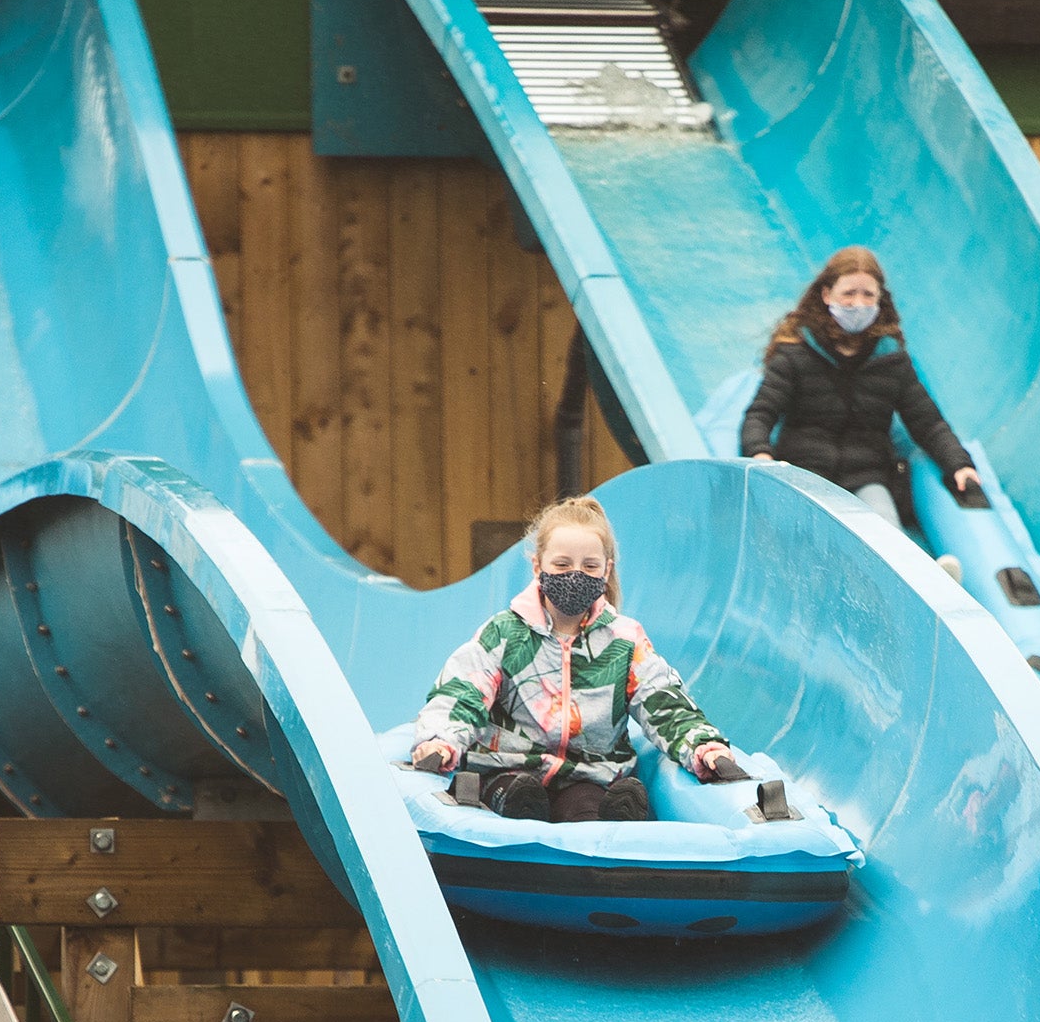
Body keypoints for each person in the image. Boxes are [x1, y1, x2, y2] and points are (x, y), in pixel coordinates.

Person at [409, 496, 735, 822]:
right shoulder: (505, 633)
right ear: (538, 566)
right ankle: (521, 815)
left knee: (587, 806)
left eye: (589, 566)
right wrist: (441, 741)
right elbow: (464, 691)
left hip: (587, 774)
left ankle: (618, 818)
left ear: (606, 571)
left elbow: (664, 703)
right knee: (518, 794)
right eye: (562, 565)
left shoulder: (623, 640)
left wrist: (703, 747)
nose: (575, 575)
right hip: (508, 768)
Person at [741, 247, 979, 576]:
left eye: (868, 295)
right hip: (808, 472)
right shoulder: (796, 353)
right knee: (813, 537)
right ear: (827, 294)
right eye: (849, 293)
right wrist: (760, 452)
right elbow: (760, 413)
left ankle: (923, 582)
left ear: (880, 300)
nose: (858, 304)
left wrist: (960, 464)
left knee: (885, 530)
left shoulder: (890, 360)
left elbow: (928, 422)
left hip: (867, 476)